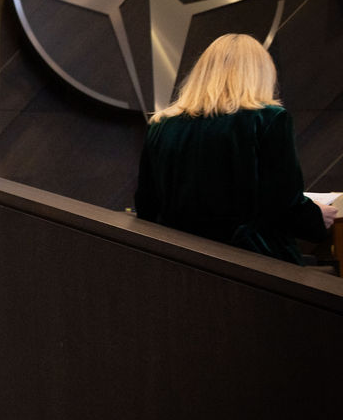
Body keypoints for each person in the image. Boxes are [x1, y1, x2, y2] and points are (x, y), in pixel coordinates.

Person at [135, 33, 336, 263]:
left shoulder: (162, 125)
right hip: (250, 265)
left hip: (179, 263)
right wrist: (316, 218)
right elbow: (283, 203)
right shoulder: (268, 119)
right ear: (260, 74)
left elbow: (146, 206)